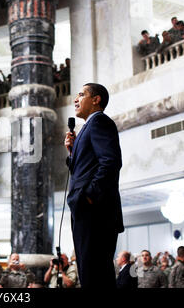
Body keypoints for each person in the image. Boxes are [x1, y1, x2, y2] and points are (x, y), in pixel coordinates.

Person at [64, 83, 123, 288]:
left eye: (81, 95)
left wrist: (90, 196)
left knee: (96, 273)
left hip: (95, 210)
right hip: (85, 208)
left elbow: (111, 162)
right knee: (88, 272)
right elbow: (83, 169)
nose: (75, 99)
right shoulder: (86, 128)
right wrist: (72, 152)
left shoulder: (100, 122)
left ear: (96, 99)